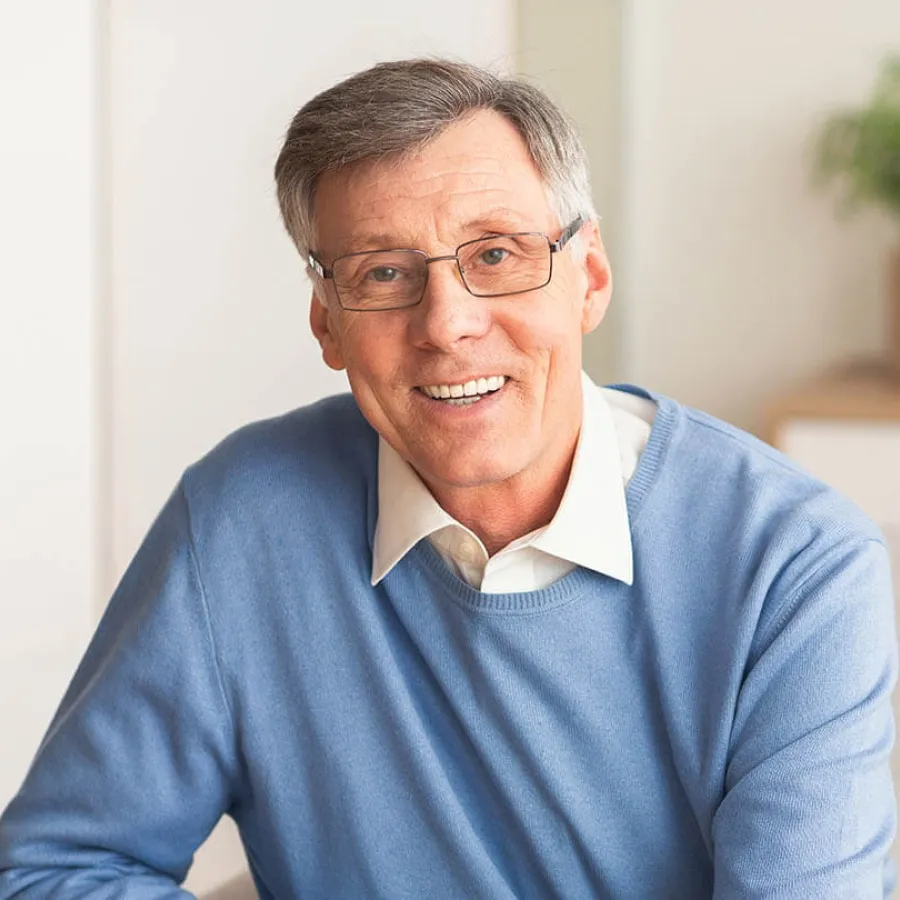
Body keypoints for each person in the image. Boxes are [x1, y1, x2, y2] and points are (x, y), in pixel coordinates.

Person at [0, 58, 896, 900]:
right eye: (384, 274)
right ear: (327, 325)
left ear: (586, 279)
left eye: (497, 255)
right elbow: (55, 867)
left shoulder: (798, 567)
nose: (448, 324)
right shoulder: (239, 521)